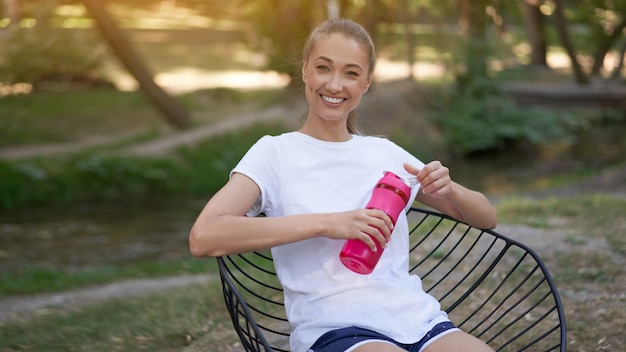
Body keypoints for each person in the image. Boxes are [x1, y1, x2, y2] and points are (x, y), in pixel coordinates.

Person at [189, 18, 497, 352]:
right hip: (335, 327)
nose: (335, 85)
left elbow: (486, 219)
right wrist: (328, 223)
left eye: (351, 73)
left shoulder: (386, 153)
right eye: (324, 68)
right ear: (305, 70)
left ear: (366, 83)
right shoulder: (275, 153)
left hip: (417, 319)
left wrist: (450, 190)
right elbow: (204, 237)